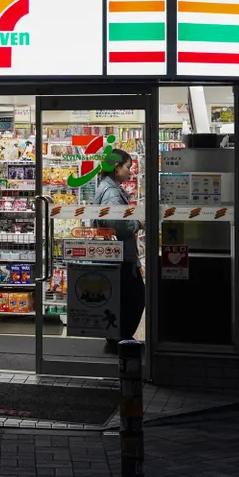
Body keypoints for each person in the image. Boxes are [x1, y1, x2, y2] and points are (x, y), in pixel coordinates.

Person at [94, 148, 145, 353]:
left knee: (123, 298)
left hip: (114, 254)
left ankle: (119, 339)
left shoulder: (107, 187)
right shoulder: (112, 192)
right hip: (120, 255)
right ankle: (122, 340)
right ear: (116, 168)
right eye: (127, 167)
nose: (130, 172)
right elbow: (117, 224)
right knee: (135, 297)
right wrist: (138, 224)